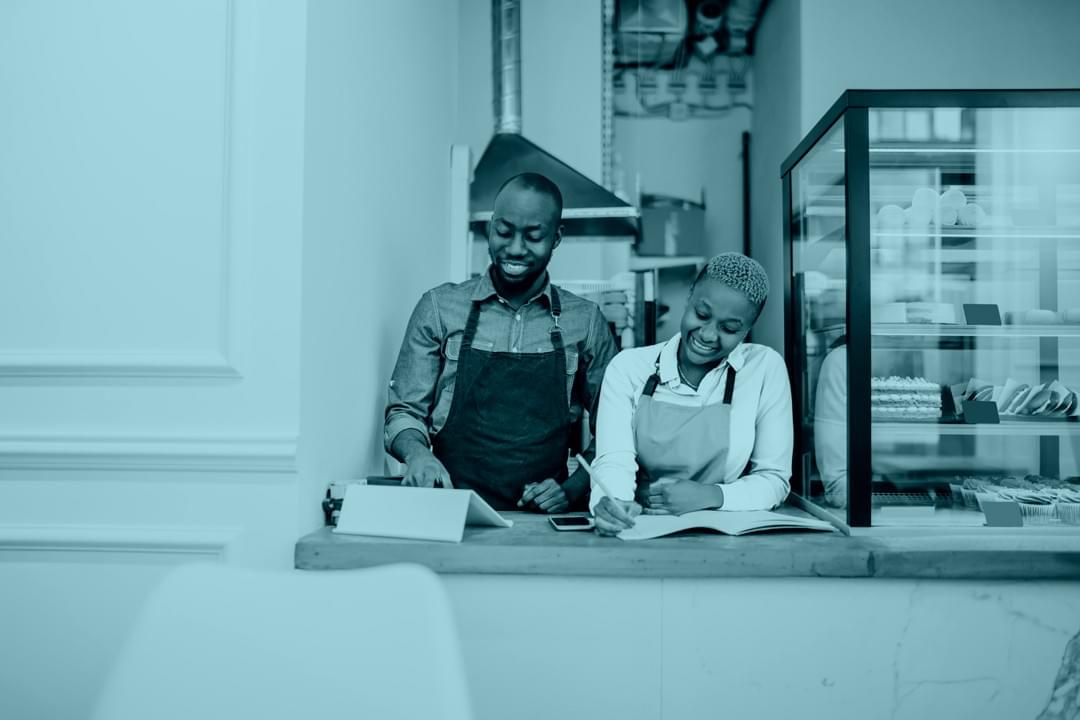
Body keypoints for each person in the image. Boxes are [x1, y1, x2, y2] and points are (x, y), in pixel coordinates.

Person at [384, 172, 618, 512]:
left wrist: (570, 489)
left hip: (542, 522)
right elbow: (404, 412)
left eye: (533, 236)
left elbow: (616, 432)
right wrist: (418, 454)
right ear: (489, 228)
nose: (515, 248)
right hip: (449, 511)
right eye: (504, 232)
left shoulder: (585, 321)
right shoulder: (438, 308)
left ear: (556, 238)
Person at [589, 252, 793, 535]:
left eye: (729, 328)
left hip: (726, 539)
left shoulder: (764, 369)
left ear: (748, 329)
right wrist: (613, 503)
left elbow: (774, 480)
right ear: (688, 298)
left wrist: (711, 495)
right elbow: (614, 461)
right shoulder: (629, 367)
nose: (708, 335)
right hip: (641, 528)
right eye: (702, 315)